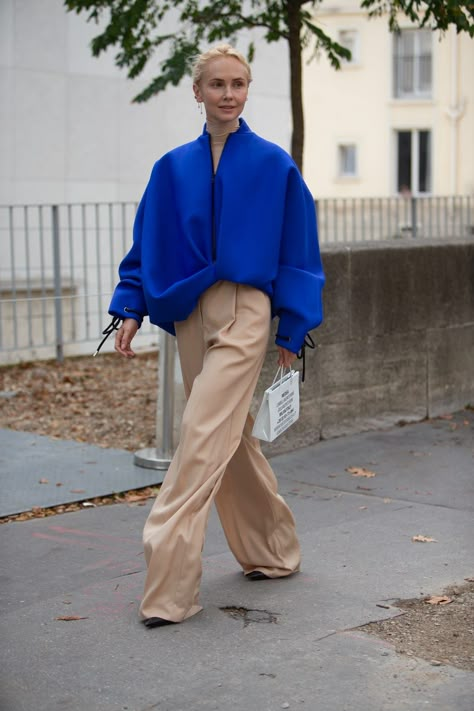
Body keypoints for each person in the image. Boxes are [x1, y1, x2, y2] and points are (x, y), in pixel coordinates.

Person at [106, 44, 325, 628]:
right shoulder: (171, 167)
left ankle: (168, 584)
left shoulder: (274, 164)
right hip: (188, 314)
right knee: (231, 435)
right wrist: (129, 305)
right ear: (198, 91)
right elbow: (145, 245)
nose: (229, 94)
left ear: (247, 91)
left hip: (246, 310)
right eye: (218, 84)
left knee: (200, 435)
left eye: (239, 84)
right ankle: (272, 552)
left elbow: (299, 250)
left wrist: (294, 324)